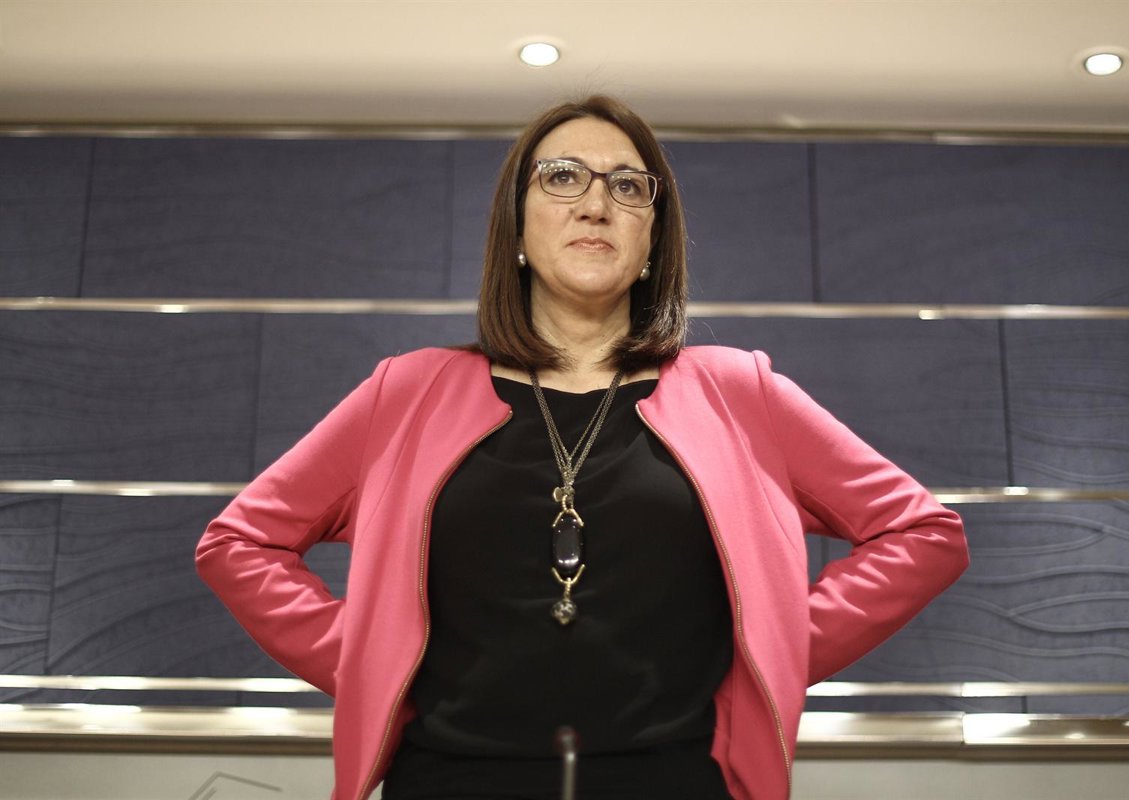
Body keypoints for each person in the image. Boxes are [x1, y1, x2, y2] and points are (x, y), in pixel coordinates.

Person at [196, 95, 968, 800]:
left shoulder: (739, 393)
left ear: (652, 239)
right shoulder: (410, 392)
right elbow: (239, 543)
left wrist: (772, 647)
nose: (597, 203)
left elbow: (924, 534)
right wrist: (374, 658)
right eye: (563, 177)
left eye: (629, 186)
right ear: (517, 226)